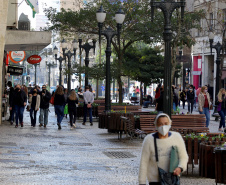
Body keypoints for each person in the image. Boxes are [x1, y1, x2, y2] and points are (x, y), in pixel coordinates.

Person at [139, 113, 188, 184]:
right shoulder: (149, 140)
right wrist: (142, 182)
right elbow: (143, 162)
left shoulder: (177, 137)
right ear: (156, 125)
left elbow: (183, 157)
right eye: (160, 124)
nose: (163, 126)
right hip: (155, 181)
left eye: (166, 123)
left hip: (172, 179)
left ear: (170, 124)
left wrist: (180, 168)